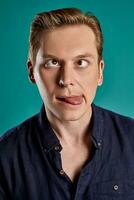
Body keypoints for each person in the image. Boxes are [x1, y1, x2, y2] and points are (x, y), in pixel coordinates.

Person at [0, 7, 134, 200]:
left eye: (81, 63)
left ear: (100, 72)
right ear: (31, 72)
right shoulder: (5, 156)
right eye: (52, 63)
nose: (66, 80)